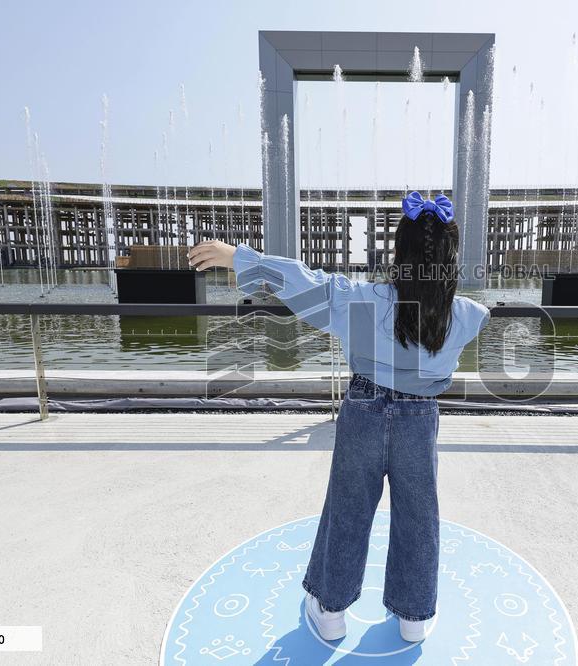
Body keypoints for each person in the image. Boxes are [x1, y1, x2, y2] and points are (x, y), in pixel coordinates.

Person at [187, 191, 490, 643]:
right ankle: (413, 618)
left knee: (348, 509)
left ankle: (330, 611)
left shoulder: (360, 301)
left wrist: (239, 257)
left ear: (398, 251)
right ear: (450, 258)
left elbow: (306, 281)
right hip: (419, 419)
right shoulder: (468, 316)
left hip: (363, 412)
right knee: (418, 515)